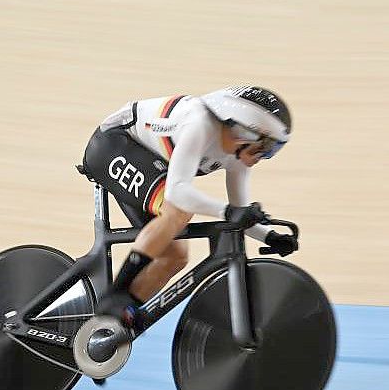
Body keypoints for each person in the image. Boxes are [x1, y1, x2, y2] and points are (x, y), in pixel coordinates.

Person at [81, 84, 299, 332]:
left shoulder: (238, 155)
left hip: (152, 163)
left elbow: (240, 210)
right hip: (114, 145)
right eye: (266, 146)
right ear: (242, 131)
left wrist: (270, 235)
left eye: (273, 150)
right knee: (180, 211)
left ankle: (118, 318)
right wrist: (228, 212)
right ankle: (114, 297)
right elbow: (179, 192)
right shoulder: (200, 123)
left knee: (175, 255)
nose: (264, 156)